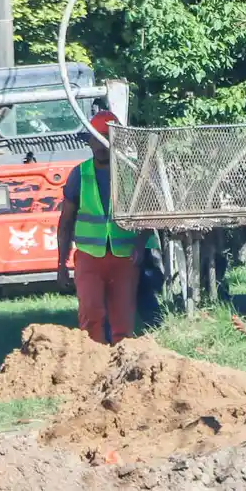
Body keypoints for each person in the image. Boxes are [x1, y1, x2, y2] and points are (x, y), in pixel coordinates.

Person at [56, 110, 157, 344]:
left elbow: (149, 212)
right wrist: (61, 264)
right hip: (89, 258)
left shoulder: (132, 172)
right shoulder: (80, 174)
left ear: (117, 141)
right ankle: (93, 360)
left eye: (107, 138)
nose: (102, 145)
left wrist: (140, 245)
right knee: (90, 314)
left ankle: (119, 361)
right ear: (89, 141)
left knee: (122, 320)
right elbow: (66, 222)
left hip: (125, 257)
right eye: (97, 138)